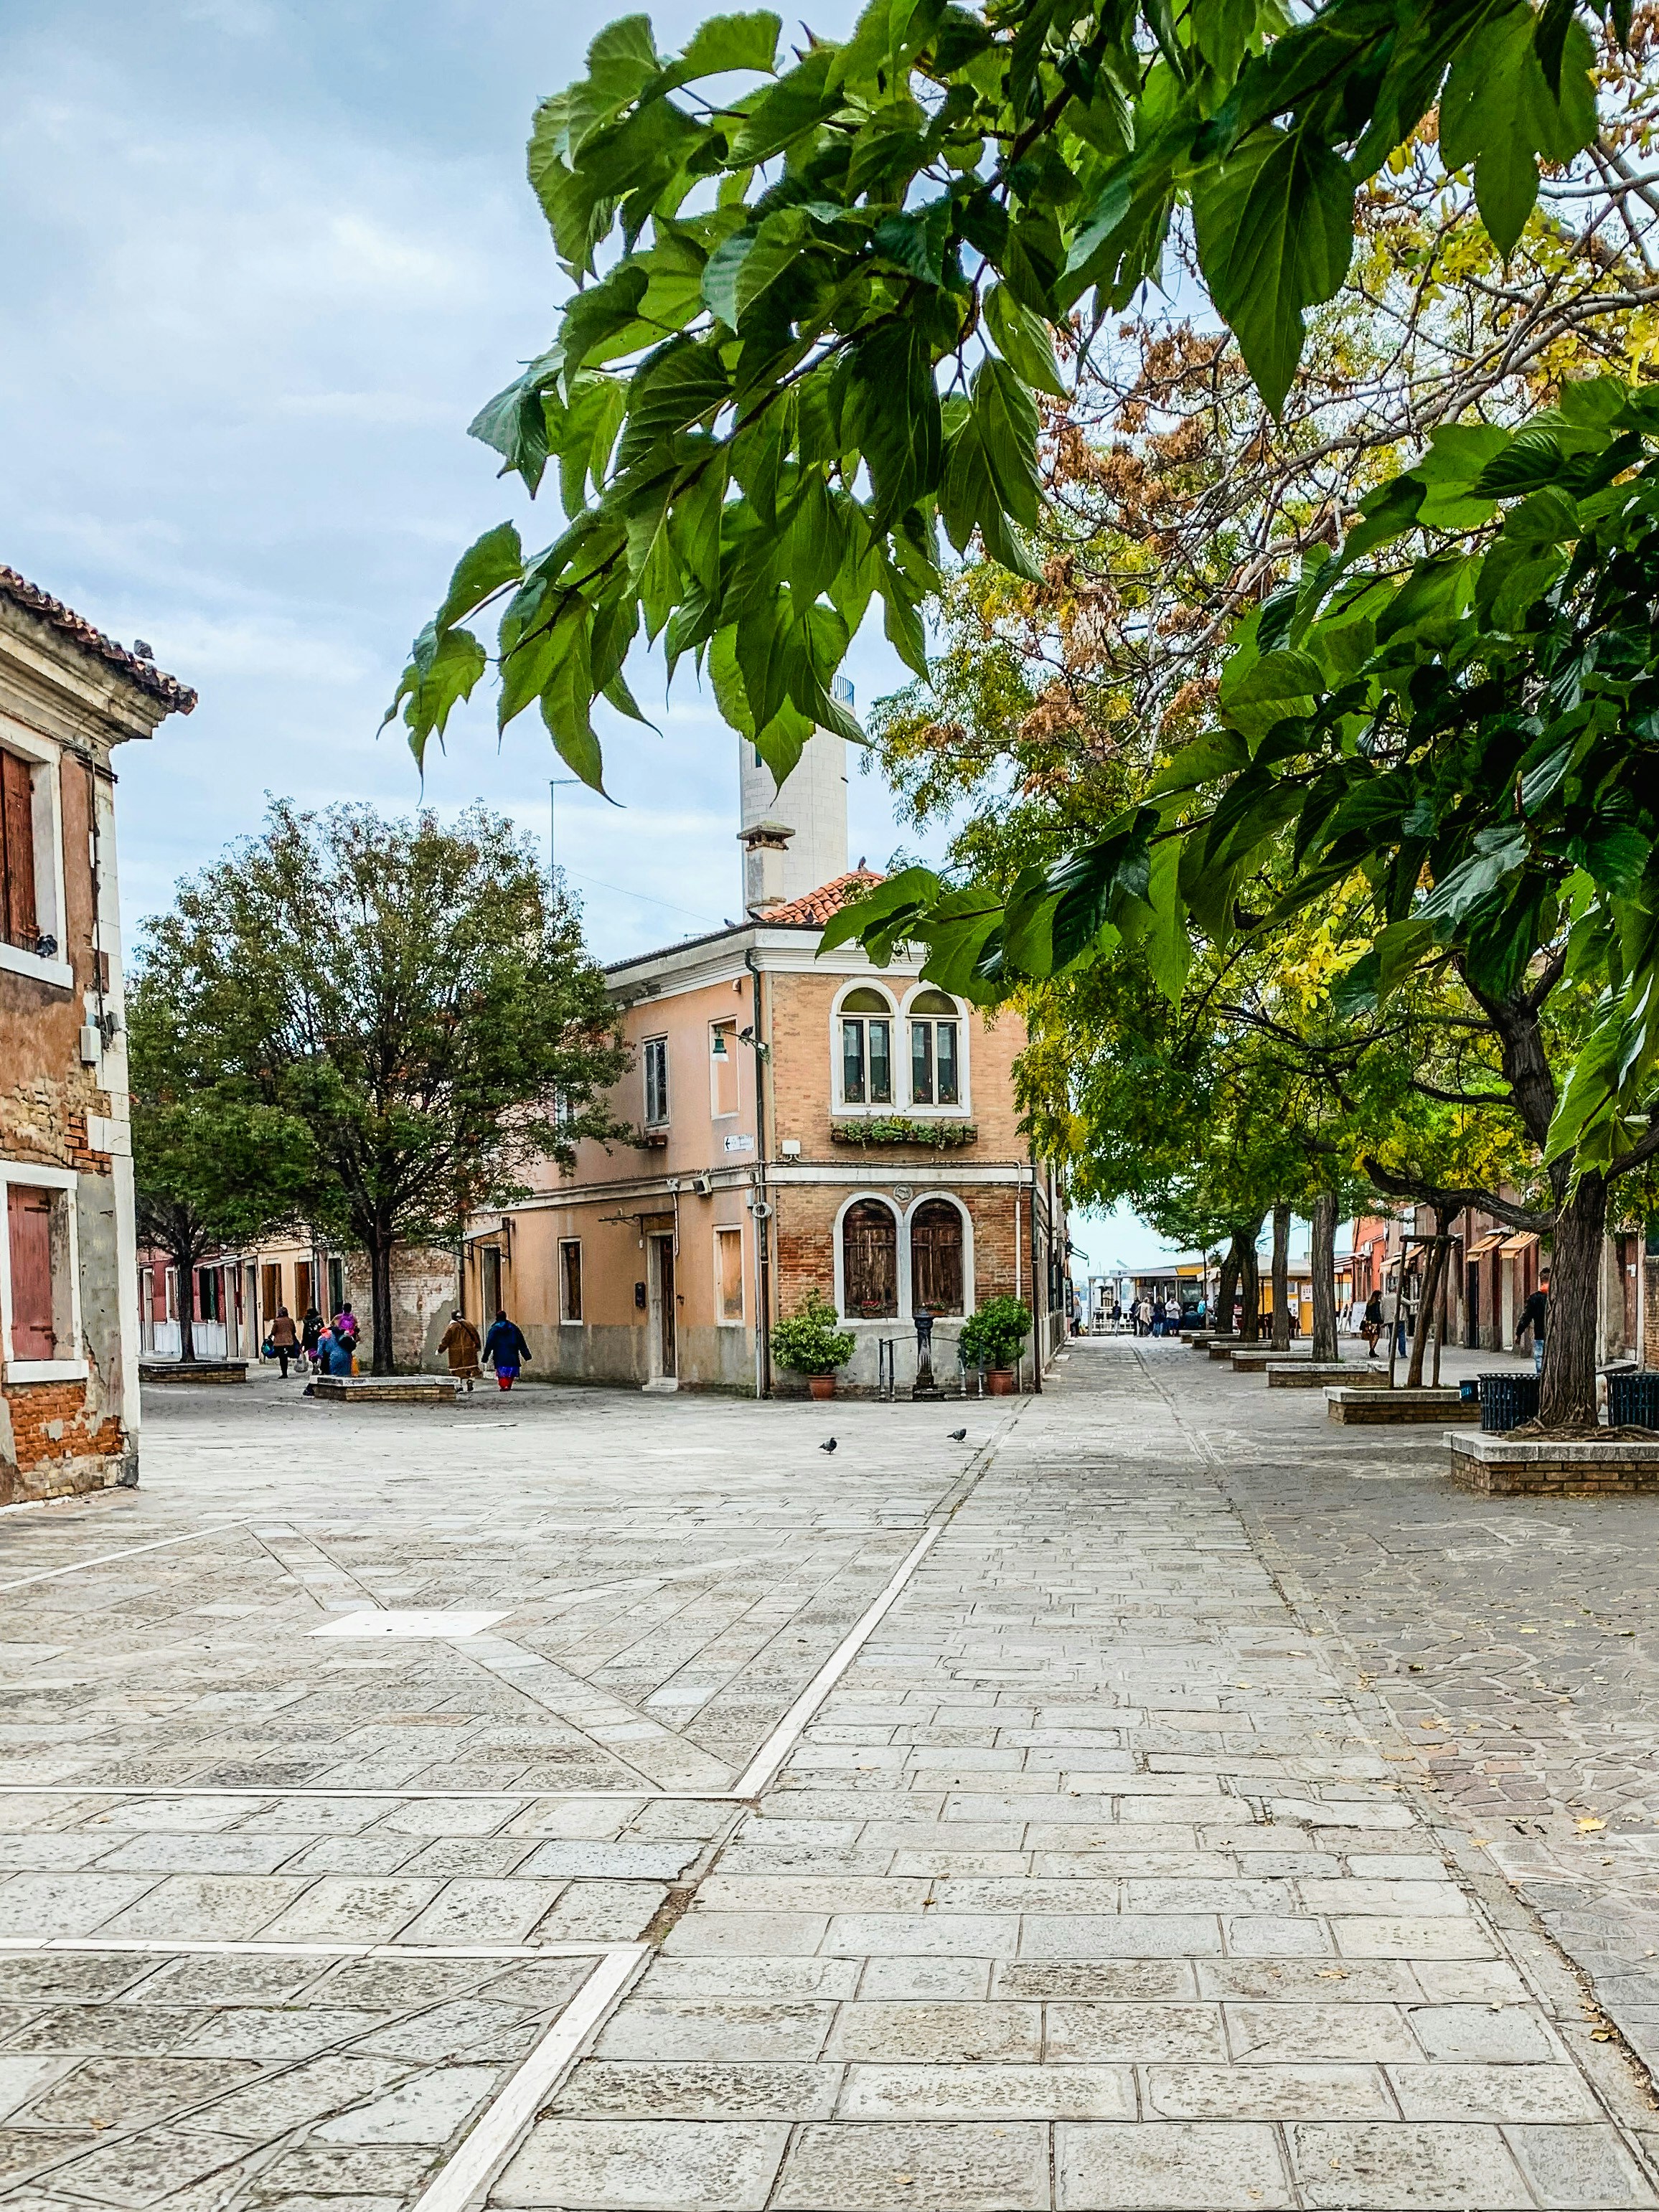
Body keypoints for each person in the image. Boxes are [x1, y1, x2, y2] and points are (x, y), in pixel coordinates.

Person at [482, 1308, 530, 1391]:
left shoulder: (494, 1329)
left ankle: (504, 1386)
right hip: (512, 1353)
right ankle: (508, 1385)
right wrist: (526, 1355)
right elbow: (521, 1342)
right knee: (511, 1370)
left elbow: (489, 1344)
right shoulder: (514, 1328)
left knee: (502, 1371)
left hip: (500, 1354)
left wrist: (485, 1357)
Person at [439, 1309, 483, 1393]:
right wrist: (478, 1346)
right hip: (469, 1350)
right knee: (470, 1368)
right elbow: (475, 1336)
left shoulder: (451, 1327)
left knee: (457, 1370)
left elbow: (446, 1340)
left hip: (456, 1352)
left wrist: (440, 1349)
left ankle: (459, 1386)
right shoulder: (469, 1325)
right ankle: (470, 1381)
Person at [1517, 1276, 1548, 1375]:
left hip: (1540, 1336)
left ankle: (1541, 1382)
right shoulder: (1558, 1297)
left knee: (1540, 1359)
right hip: (1557, 1337)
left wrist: (1518, 1333)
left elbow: (1526, 1317)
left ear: (1541, 1281)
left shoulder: (1534, 1298)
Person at [268, 1305, 298, 1379]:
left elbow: (273, 1331)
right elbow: (294, 1330)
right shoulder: (290, 1321)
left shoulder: (277, 1321)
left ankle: (284, 1373)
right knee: (286, 1356)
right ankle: (285, 1372)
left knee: (282, 1358)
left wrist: (271, 1335)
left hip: (279, 1343)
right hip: (289, 1341)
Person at [1361, 1289, 1384, 1361]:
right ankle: (1372, 1350)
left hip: (1369, 1322)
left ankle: (1372, 1350)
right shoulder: (1377, 1303)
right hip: (1375, 1322)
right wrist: (1380, 1320)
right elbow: (1377, 1313)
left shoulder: (1369, 1303)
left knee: (1371, 1337)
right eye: (1380, 1295)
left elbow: (1367, 1313)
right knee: (1376, 1336)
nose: (1381, 1297)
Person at [301, 1304, 322, 1375]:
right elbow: (323, 1328)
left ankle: (314, 1364)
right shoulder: (319, 1319)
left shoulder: (306, 1321)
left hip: (309, 1340)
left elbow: (305, 1332)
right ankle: (319, 1364)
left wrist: (303, 1343)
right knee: (319, 1351)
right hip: (318, 1338)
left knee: (312, 1353)